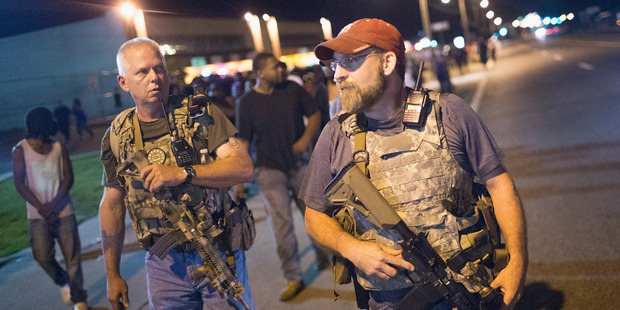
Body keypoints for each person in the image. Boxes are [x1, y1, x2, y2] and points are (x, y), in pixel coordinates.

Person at [299, 18, 528, 310]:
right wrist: (352, 249)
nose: (338, 75)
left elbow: (499, 184)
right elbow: (314, 214)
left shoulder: (449, 113)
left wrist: (518, 261)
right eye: (334, 65)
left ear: (388, 62)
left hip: (468, 292)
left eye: (351, 61)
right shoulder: (336, 134)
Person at [99, 38, 255, 310]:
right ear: (124, 82)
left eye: (159, 69)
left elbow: (243, 167)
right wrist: (112, 275)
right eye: (143, 72)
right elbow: (112, 205)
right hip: (164, 266)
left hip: (216, 250)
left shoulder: (199, 114)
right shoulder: (117, 135)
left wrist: (183, 173)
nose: (155, 78)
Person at [234, 52, 327, 301]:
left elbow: (315, 114)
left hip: (298, 165)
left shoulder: (292, 90)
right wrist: (240, 180)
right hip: (268, 170)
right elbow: (243, 141)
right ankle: (294, 278)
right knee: (282, 225)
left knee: (315, 214)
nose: (281, 70)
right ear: (260, 72)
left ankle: (325, 254)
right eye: (275, 67)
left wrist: (306, 139)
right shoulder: (246, 102)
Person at [12, 107, 88, 310]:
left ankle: (79, 298)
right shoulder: (20, 150)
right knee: (42, 256)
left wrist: (53, 205)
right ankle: (63, 281)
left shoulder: (58, 147)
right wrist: (42, 208)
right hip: (37, 216)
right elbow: (20, 184)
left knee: (72, 257)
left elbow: (68, 178)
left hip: (64, 212)